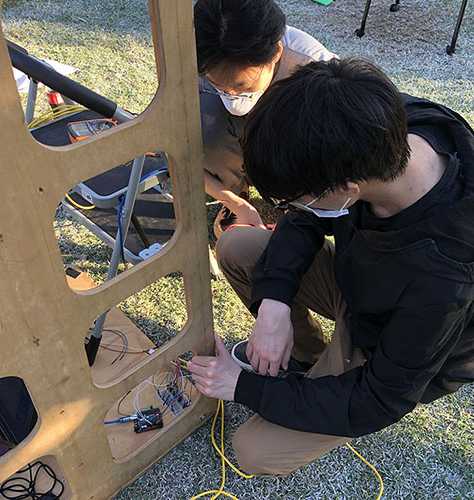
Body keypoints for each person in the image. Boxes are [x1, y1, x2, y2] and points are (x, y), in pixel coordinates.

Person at [188, 58, 474, 476]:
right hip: (361, 282)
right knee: (238, 247)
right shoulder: (379, 122)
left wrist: (243, 386)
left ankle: (322, 373)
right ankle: (307, 360)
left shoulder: (444, 276)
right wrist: (274, 302)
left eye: (294, 200)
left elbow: (380, 400)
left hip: (394, 343)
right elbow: (308, 214)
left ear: (347, 190)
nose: (288, 210)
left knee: (255, 452)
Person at [194, 0, 336, 237]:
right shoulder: (202, 55)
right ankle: (239, 189)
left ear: (276, 54)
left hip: (293, 140)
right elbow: (176, 154)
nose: (230, 93)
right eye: (217, 84)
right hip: (240, 136)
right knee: (203, 122)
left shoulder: (314, 71)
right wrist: (233, 202)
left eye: (241, 85)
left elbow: (335, 155)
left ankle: (295, 203)